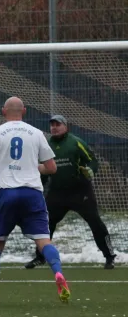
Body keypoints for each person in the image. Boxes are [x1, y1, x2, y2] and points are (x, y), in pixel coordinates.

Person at [0, 97, 70, 308]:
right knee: (44, 240)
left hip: (6, 193)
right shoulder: (36, 133)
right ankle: (59, 273)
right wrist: (35, 169)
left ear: (3, 112)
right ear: (24, 112)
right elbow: (52, 167)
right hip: (33, 194)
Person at [24, 115, 115, 269]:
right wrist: (37, 188)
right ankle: (40, 257)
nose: (54, 127)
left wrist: (90, 171)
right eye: (52, 125)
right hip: (57, 192)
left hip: (80, 191)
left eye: (58, 124)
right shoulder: (46, 145)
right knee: (45, 224)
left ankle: (109, 256)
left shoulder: (76, 142)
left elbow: (92, 161)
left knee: (95, 222)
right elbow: (44, 170)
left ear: (65, 126)